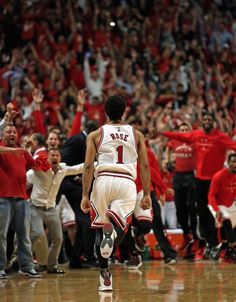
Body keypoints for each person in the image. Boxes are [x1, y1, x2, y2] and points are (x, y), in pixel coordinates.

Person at [81, 95, 151, 291]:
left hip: (103, 179)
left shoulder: (95, 134)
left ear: (105, 112)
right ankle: (111, 238)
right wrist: (146, 193)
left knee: (100, 229)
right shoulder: (137, 134)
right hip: (126, 182)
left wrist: (85, 195)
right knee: (120, 229)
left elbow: (87, 166)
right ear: (124, 111)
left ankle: (105, 276)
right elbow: (144, 165)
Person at [161, 112, 236, 259]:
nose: (207, 121)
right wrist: (163, 132)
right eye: (205, 119)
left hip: (215, 180)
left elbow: (234, 146)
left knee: (215, 213)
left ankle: (218, 244)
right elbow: (180, 137)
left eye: (210, 119)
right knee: (201, 213)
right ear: (202, 122)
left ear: (213, 122)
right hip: (200, 180)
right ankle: (210, 243)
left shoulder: (220, 137)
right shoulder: (196, 135)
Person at [27, 147, 85, 273]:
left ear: (60, 158)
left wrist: (98, 163)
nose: (54, 157)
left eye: (57, 155)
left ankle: (52, 266)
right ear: (47, 157)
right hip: (35, 207)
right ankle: (26, 263)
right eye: (52, 155)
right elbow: (25, 178)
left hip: (51, 208)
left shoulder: (63, 169)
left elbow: (79, 168)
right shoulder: (37, 170)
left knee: (58, 238)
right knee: (37, 234)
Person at [0, 124, 42, 278]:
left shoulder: (22, 152)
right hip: (3, 198)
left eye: (14, 132)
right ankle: (0, 268)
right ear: (3, 135)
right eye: (8, 132)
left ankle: (26, 266)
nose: (12, 134)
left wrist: (28, 150)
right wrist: (14, 150)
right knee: (1, 235)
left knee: (24, 235)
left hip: (22, 199)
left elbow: (36, 166)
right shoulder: (3, 149)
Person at [166, 122, 198, 254]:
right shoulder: (174, 141)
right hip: (178, 176)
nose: (184, 131)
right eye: (182, 129)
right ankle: (186, 234)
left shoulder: (194, 141)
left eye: (186, 129)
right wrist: (168, 161)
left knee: (191, 207)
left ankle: (195, 238)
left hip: (191, 176)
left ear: (189, 131)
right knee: (179, 208)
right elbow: (168, 148)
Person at [208, 153, 236, 262]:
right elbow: (211, 195)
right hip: (217, 204)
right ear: (228, 163)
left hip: (230, 204)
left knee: (230, 223)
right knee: (226, 221)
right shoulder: (219, 176)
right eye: (233, 161)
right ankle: (232, 246)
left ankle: (225, 248)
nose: (235, 164)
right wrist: (216, 209)